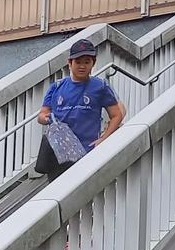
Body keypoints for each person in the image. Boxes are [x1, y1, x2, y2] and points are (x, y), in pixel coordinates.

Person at [36, 39, 126, 174]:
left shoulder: (100, 86)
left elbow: (117, 115)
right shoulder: (56, 87)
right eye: (78, 62)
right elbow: (41, 115)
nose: (82, 66)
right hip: (58, 154)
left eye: (87, 62)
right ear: (70, 63)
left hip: (87, 152)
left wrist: (103, 139)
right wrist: (47, 118)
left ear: (93, 63)